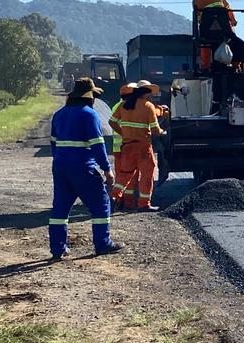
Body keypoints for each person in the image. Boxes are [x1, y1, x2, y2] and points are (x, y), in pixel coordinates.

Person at [49, 78, 122, 260]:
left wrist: (61, 160)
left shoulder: (59, 115)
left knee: (60, 209)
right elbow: (98, 145)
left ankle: (58, 248)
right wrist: (107, 169)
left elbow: (53, 144)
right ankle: (103, 243)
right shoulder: (89, 115)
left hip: (60, 167)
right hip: (82, 167)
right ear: (90, 97)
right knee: (101, 204)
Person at [108, 79, 165, 211]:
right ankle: (144, 204)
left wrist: (124, 133)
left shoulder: (125, 105)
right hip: (143, 147)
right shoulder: (148, 106)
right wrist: (162, 132)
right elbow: (155, 130)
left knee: (125, 174)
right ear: (146, 93)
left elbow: (112, 122)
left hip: (127, 146)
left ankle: (114, 197)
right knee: (147, 175)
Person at [188, 0, 244, 68]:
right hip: (225, 31)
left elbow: (198, 18)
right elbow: (228, 8)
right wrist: (233, 20)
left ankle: (206, 67)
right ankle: (236, 66)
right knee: (237, 44)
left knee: (204, 45)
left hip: (207, 32)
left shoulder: (195, 1)